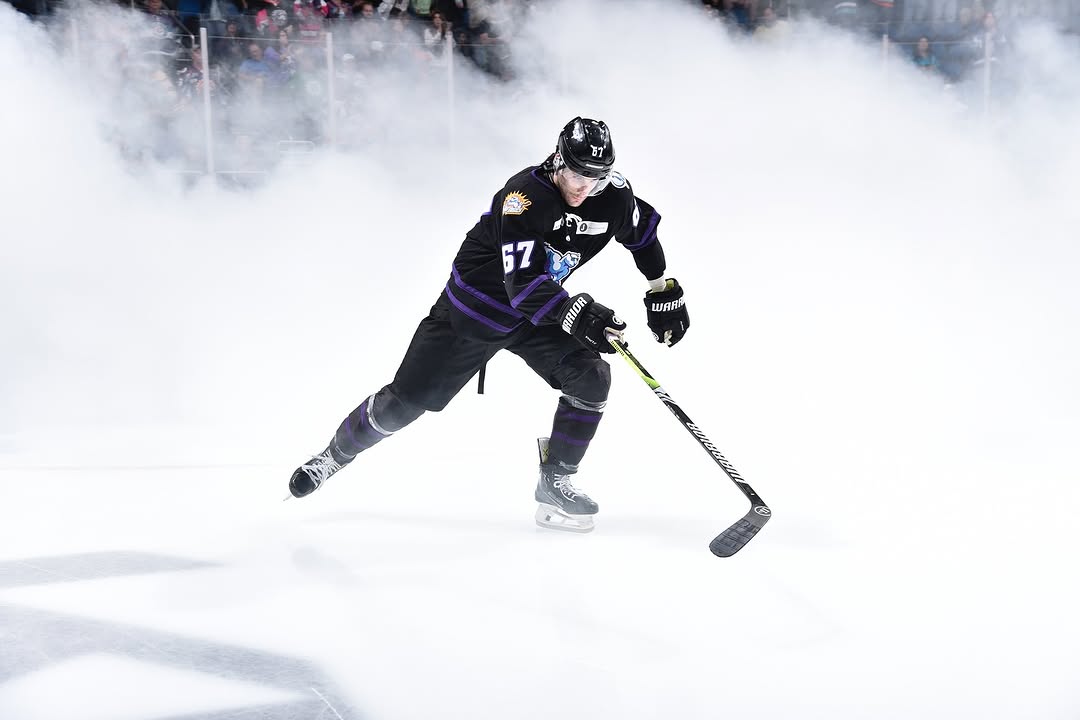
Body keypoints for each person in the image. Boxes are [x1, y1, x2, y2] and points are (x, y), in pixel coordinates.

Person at [288, 118, 691, 533]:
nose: (583, 188)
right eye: (575, 175)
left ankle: (555, 482)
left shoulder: (613, 196)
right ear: (558, 160)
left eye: (595, 178)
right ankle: (332, 456)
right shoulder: (524, 199)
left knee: (591, 377)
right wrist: (580, 315)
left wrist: (660, 288)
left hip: (535, 316)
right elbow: (523, 285)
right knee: (402, 405)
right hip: (474, 314)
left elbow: (641, 234)